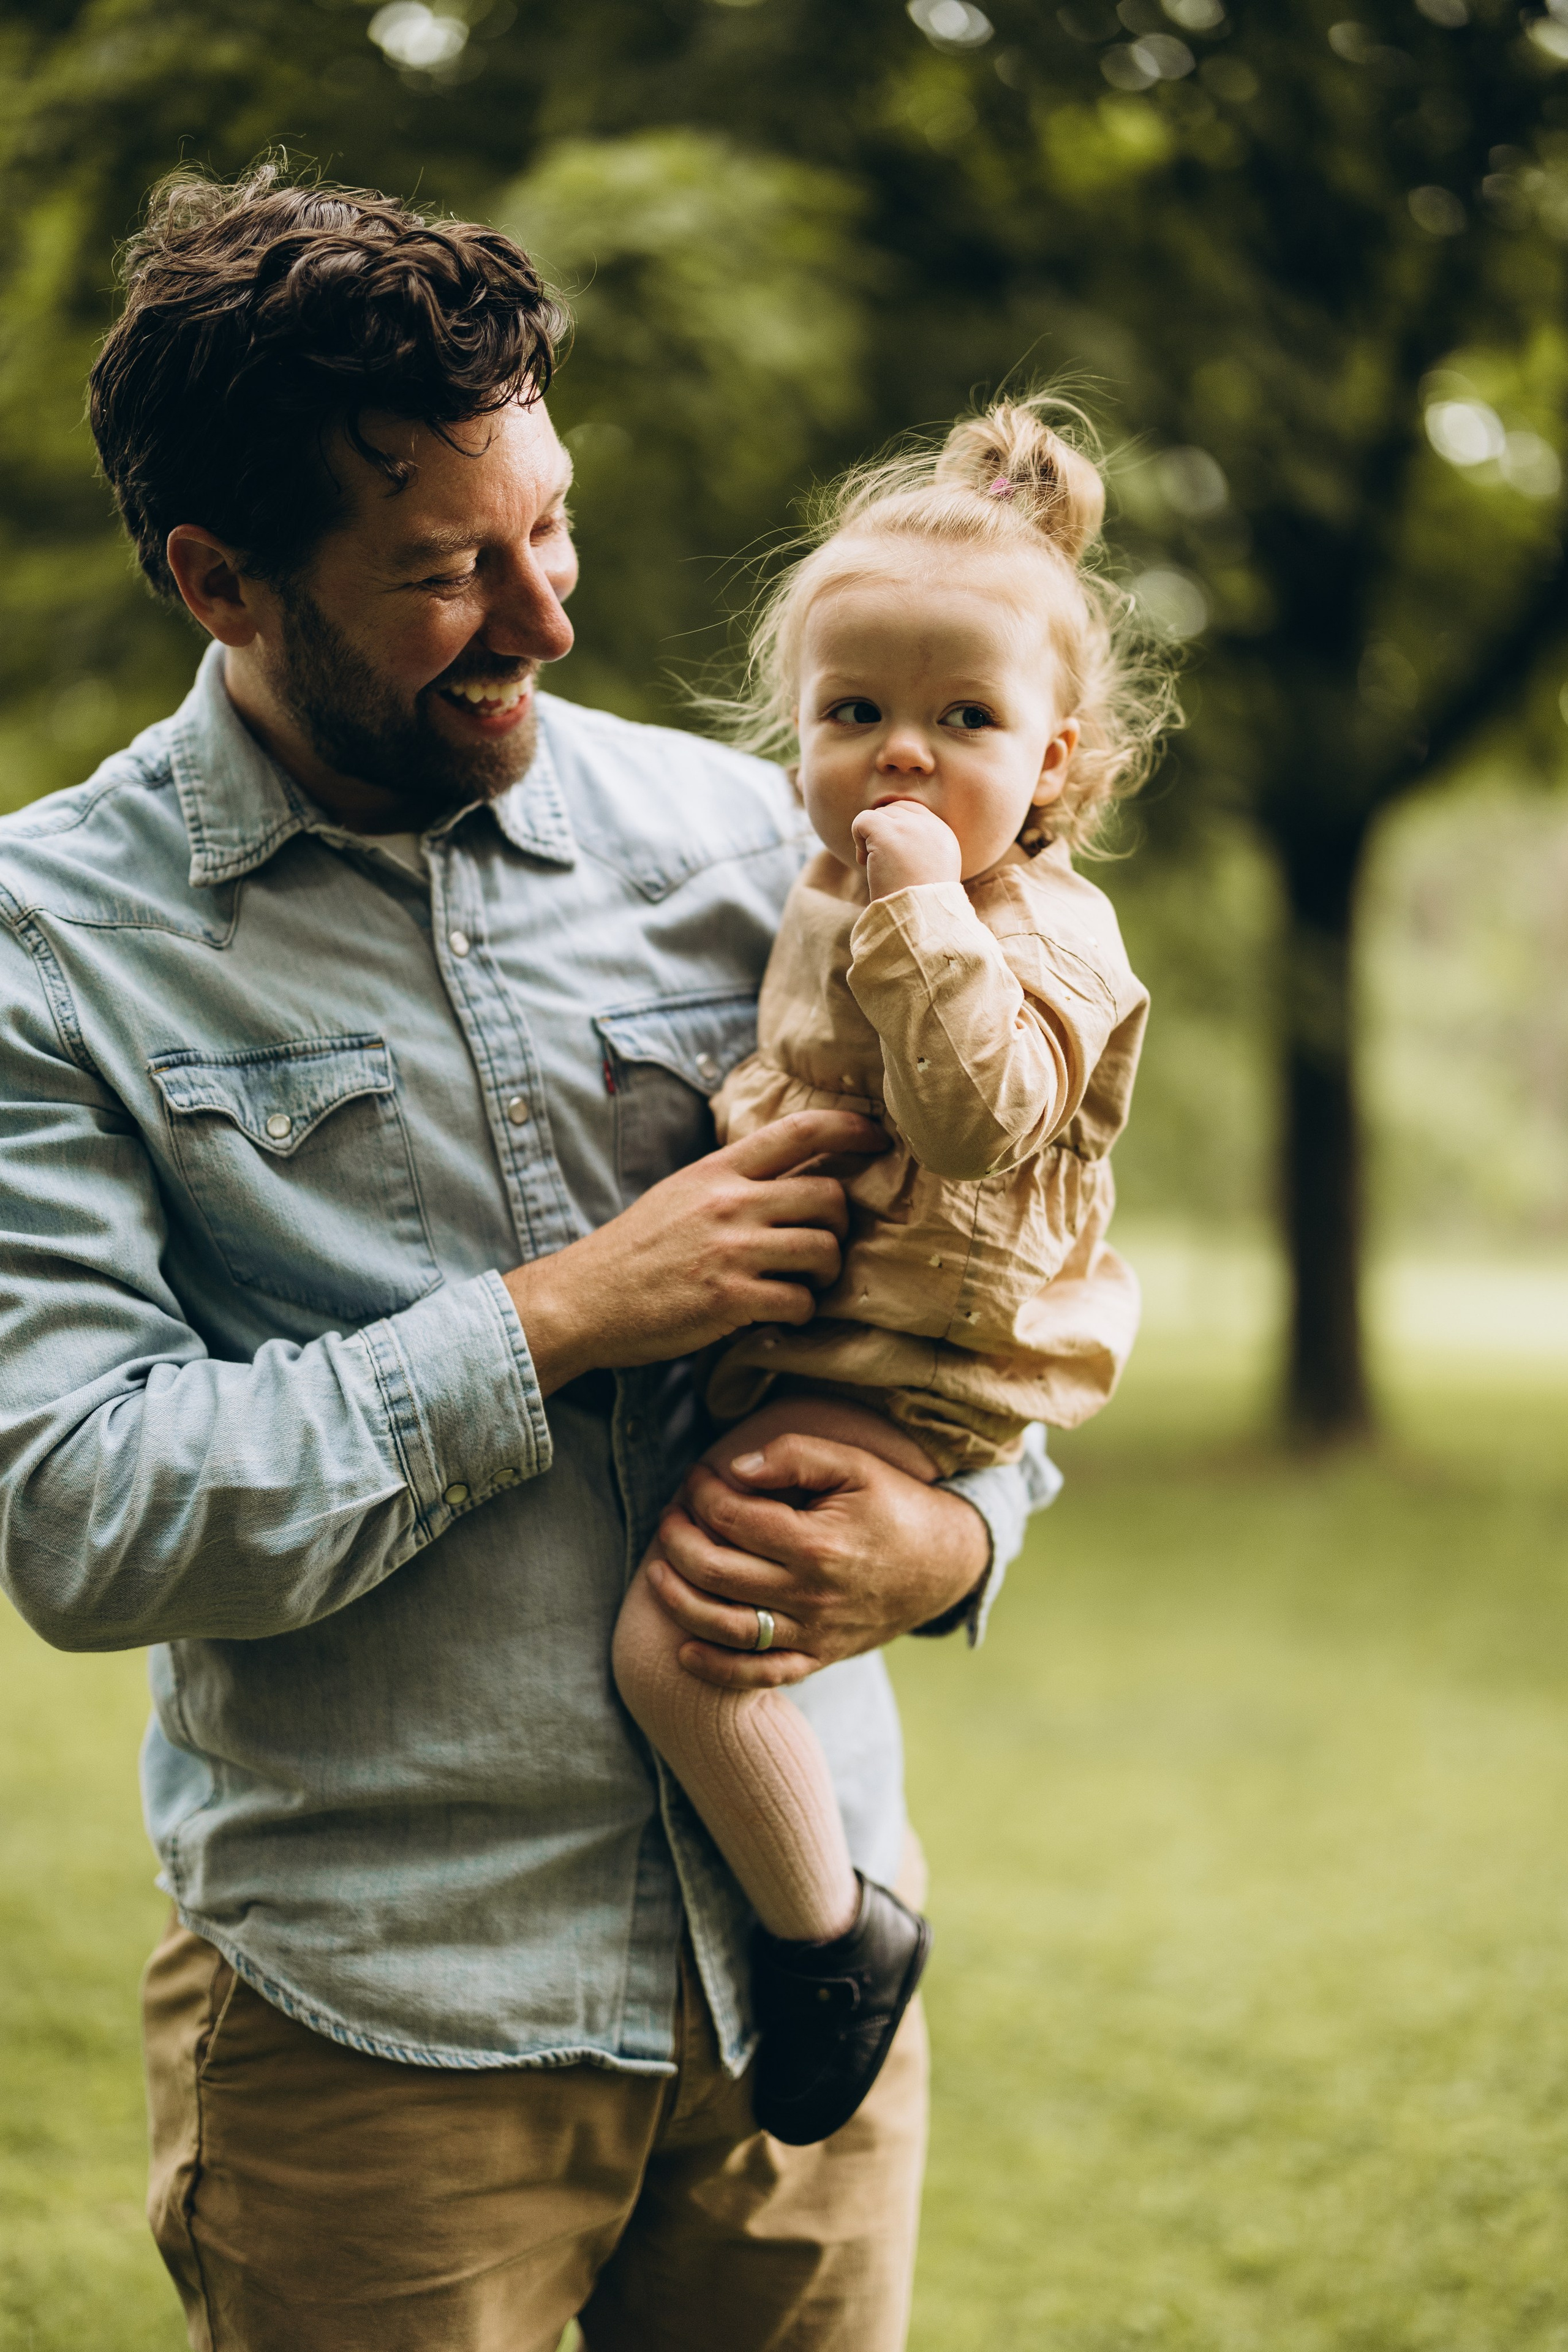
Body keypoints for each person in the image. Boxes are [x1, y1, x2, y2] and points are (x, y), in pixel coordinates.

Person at [0, 165, 1061, 2352]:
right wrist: (562, 1317)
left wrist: (951, 1539)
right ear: (220, 578)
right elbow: (80, 1515)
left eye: (548, 524)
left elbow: (991, 1254)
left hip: (809, 1976)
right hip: (385, 2036)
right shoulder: (51, 948)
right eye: (445, 572)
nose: (548, 613)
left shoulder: (753, 842)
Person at [612, 399, 1156, 2148]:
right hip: (846, 1329)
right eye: (857, 715)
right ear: (796, 736)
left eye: (962, 722)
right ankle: (822, 1919)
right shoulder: (828, 884)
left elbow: (984, 1118)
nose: (901, 759)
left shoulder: (1039, 929)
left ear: (1056, 763)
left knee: (682, 1650)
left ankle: (834, 1939)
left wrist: (924, 909)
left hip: (924, 1360)